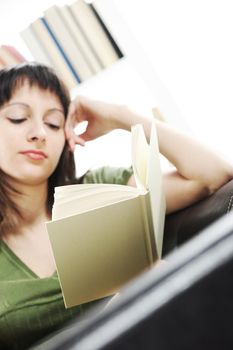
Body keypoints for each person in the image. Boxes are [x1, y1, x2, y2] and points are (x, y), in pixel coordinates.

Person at [0, 62, 232, 350]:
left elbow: (214, 175)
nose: (39, 133)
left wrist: (121, 116)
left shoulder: (97, 191)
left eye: (54, 123)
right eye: (18, 118)